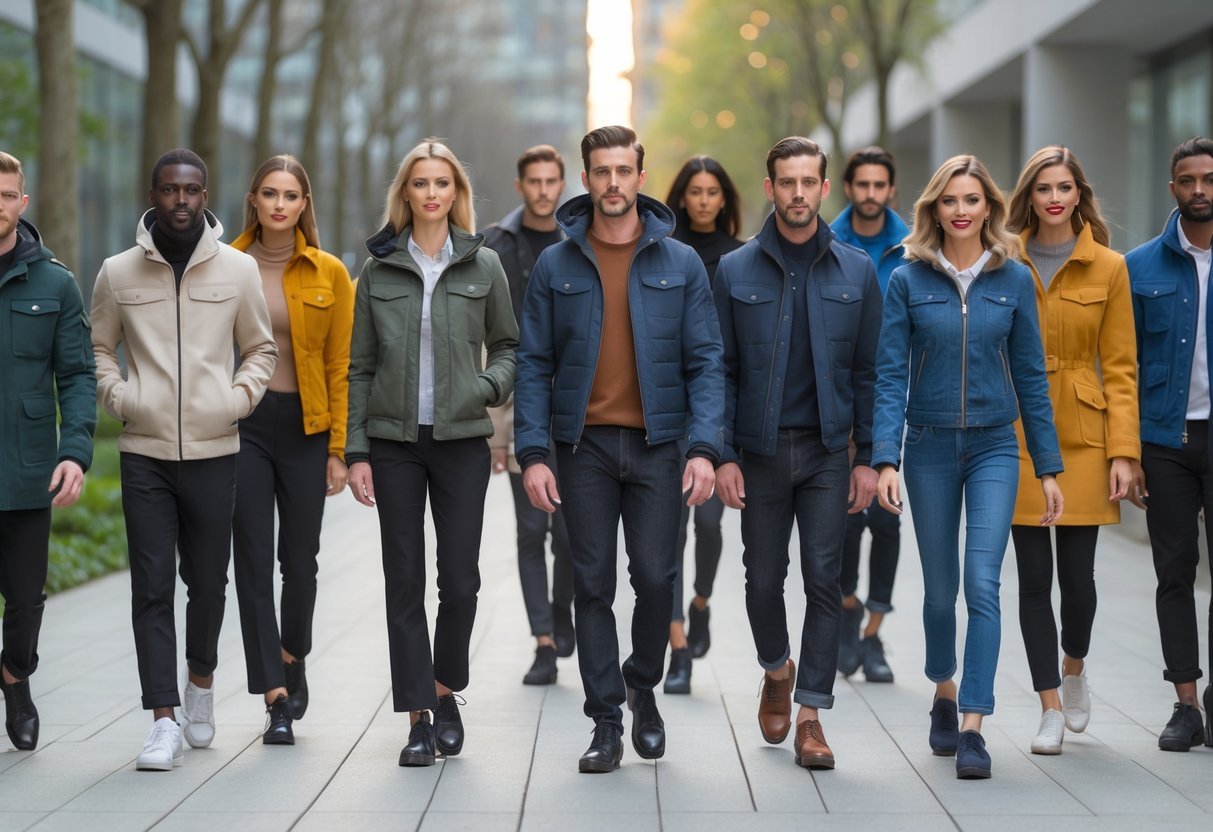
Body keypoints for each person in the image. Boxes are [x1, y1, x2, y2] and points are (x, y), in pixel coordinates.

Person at [514, 125, 723, 773]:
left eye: (622, 171)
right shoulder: (556, 263)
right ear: (586, 178)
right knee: (592, 583)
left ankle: (642, 682)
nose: (611, 182)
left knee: (657, 577)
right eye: (600, 171)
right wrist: (534, 453)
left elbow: (706, 361)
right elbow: (532, 363)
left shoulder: (680, 263)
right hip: (584, 450)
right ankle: (606, 719)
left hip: (660, 447)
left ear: (639, 176)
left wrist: (703, 447)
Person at [872, 154, 1064, 780]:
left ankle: (975, 726)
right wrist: (884, 458)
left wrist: (1049, 467)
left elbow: (1032, 377)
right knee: (938, 590)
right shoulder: (907, 278)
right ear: (936, 208)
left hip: (993, 447)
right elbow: (890, 375)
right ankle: (944, 691)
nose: (961, 210)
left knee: (983, 583)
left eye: (972, 200)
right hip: (926, 447)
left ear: (990, 208)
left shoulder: (1012, 279)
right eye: (950, 200)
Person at [91, 148, 277, 771]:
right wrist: (121, 397)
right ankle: (163, 719)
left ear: (205, 194)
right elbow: (99, 349)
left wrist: (237, 400)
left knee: (207, 583)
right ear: (153, 194)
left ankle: (200, 682)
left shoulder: (239, 270)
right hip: (143, 451)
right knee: (150, 586)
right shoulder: (117, 272)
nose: (180, 200)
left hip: (214, 447)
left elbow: (259, 349)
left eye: (191, 190)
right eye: (169, 189)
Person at [346, 138, 517, 768]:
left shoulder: (484, 266)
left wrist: (484, 388)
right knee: (403, 579)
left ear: (456, 193)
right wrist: (355, 451)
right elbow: (359, 368)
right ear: (406, 193)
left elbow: (509, 348)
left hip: (461, 442)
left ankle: (447, 689)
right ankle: (419, 714)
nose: (431, 193)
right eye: (420, 183)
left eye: (442, 183)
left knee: (461, 580)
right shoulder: (378, 270)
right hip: (394, 444)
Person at [714, 137, 882, 771]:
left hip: (826, 452)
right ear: (770, 187)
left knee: (824, 578)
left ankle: (811, 715)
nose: (798, 194)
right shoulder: (734, 270)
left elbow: (870, 373)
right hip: (757, 453)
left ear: (824, 187)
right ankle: (776, 669)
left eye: (809, 182)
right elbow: (720, 370)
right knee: (762, 581)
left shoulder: (857, 270)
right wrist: (723, 453)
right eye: (787, 182)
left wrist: (868, 458)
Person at [1005, 146, 1140, 755]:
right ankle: (1049, 708)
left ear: (1079, 195)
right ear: (1028, 197)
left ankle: (1074, 669)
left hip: (1085, 434)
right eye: (1043, 189)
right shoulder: (1004, 259)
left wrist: (1124, 451)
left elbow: (1120, 367)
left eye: (1064, 188)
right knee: (1032, 578)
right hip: (1019, 433)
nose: (1054, 198)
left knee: (1077, 580)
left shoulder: (1109, 266)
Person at [230, 154, 355, 744]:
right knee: (252, 561)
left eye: (291, 196)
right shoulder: (222, 265)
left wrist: (339, 449)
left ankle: (292, 652)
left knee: (299, 562)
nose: (280, 204)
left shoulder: (330, 273)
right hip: (243, 427)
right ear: (253, 199)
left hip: (307, 428)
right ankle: (275, 696)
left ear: (304, 205)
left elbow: (340, 364)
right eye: (269, 193)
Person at [0, 151, 96, 752]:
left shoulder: (55, 283)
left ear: (22, 203)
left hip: (27, 466)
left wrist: (75, 451)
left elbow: (79, 376)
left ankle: (15, 677)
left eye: (6, 195)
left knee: (27, 597)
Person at [1126, 136, 1213, 752]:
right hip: (1165, 440)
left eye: (1209, 179)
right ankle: (1185, 702)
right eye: (1188, 180)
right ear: (1173, 188)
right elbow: (1121, 365)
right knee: (1174, 572)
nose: (1200, 190)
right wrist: (1126, 452)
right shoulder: (1139, 267)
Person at [483, 145, 575, 687]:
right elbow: (487, 341)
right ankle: (543, 639)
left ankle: (561, 614)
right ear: (521, 186)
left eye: (551, 181)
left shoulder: (580, 237)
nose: (543, 190)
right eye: (534, 181)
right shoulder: (498, 243)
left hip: (576, 405)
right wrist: (496, 433)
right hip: (517, 398)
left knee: (567, 533)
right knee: (528, 528)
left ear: (563, 184)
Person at [660, 154, 743, 695]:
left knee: (709, 525)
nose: (705, 200)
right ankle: (678, 647)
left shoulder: (741, 257)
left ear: (725, 198)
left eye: (714, 191)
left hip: (716, 406)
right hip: (666, 408)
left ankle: (702, 602)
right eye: (696, 191)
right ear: (682, 197)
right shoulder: (665, 254)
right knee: (667, 534)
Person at [830, 146, 909, 684]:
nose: (871, 194)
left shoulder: (913, 247)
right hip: (841, 399)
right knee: (842, 520)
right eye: (863, 185)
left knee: (886, 518)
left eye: (880, 185)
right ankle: (846, 608)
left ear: (891, 190)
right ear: (849, 188)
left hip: (898, 398)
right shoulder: (829, 242)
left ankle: (874, 635)